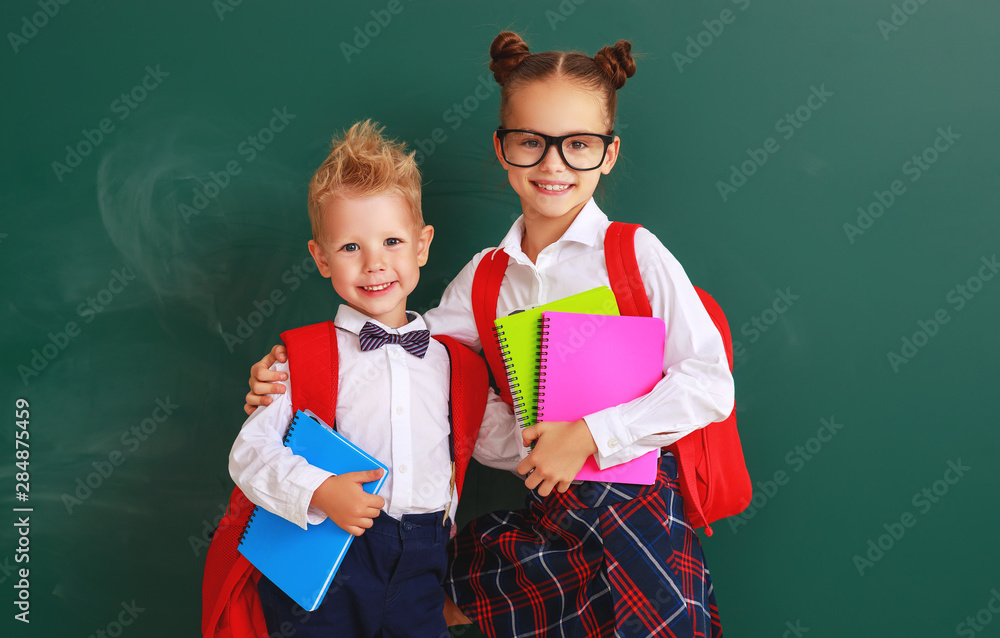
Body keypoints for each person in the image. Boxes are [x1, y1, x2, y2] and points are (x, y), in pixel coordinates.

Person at [245, 32, 734, 637]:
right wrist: (295, 367)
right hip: (551, 518)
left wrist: (587, 434)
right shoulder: (486, 278)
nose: (553, 165)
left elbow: (709, 383)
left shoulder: (634, 254)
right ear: (503, 150)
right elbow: (412, 350)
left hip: (640, 517)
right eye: (531, 142)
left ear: (608, 154)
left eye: (577, 144)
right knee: (439, 589)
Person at [228, 119, 520, 638]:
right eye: (350, 248)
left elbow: (499, 442)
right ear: (320, 258)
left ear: (423, 245)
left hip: (425, 562)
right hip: (327, 557)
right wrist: (320, 490)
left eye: (391, 241)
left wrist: (591, 433)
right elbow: (249, 455)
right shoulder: (300, 357)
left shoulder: (456, 364)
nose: (374, 263)